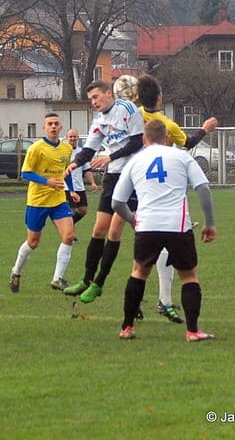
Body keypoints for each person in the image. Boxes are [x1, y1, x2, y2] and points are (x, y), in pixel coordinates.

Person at [112, 119, 217, 341]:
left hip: (147, 224)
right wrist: (209, 222)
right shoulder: (182, 157)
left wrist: (132, 219)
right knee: (188, 276)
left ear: (143, 138)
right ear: (167, 138)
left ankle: (127, 327)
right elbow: (203, 188)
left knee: (139, 272)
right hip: (177, 225)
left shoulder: (135, 161)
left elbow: (116, 203)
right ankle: (192, 331)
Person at [135, 74, 218, 323]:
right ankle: (164, 301)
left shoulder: (132, 115)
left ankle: (139, 304)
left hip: (136, 185)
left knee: (142, 247)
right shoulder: (165, 124)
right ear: (159, 98)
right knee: (169, 248)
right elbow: (188, 143)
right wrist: (205, 128)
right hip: (166, 193)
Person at [62, 80, 144, 303]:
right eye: (90, 99)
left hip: (132, 175)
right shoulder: (98, 120)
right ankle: (86, 280)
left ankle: (99, 282)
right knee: (98, 229)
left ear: (109, 93)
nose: (94, 102)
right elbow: (89, 148)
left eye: (96, 97)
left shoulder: (127, 109)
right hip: (112, 176)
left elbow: (138, 141)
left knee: (114, 232)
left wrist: (110, 157)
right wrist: (76, 163)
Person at [8, 113, 76, 293]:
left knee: (69, 236)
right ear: (44, 128)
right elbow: (25, 173)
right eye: (50, 124)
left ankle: (57, 278)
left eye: (56, 124)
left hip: (59, 201)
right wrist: (47, 182)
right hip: (37, 201)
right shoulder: (36, 148)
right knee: (33, 242)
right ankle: (16, 271)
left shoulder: (66, 149)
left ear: (60, 127)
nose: (53, 127)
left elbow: (63, 172)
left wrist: (72, 189)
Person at [64, 129, 97, 226]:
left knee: (83, 210)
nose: (72, 139)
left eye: (74, 136)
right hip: (67, 187)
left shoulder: (81, 153)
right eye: (70, 136)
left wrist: (92, 183)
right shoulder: (64, 152)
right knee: (72, 211)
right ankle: (70, 235)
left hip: (79, 186)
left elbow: (86, 170)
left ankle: (67, 227)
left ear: (78, 137)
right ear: (67, 138)